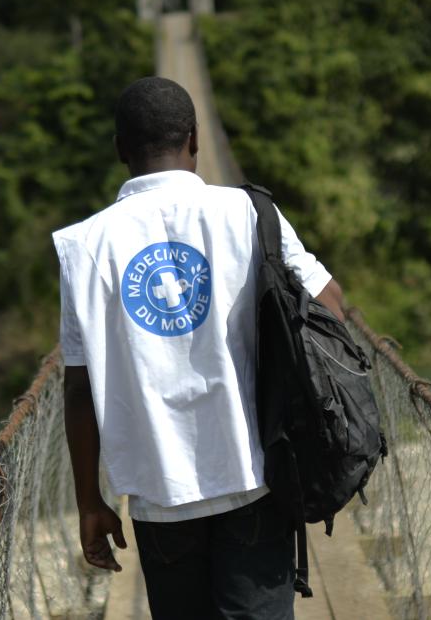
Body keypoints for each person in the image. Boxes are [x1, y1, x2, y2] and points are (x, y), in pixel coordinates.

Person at [53, 76, 346, 619]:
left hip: (159, 494)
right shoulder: (249, 213)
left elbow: (77, 388)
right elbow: (331, 305)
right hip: (254, 472)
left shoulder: (81, 246)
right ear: (194, 140)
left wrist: (89, 502)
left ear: (120, 149)